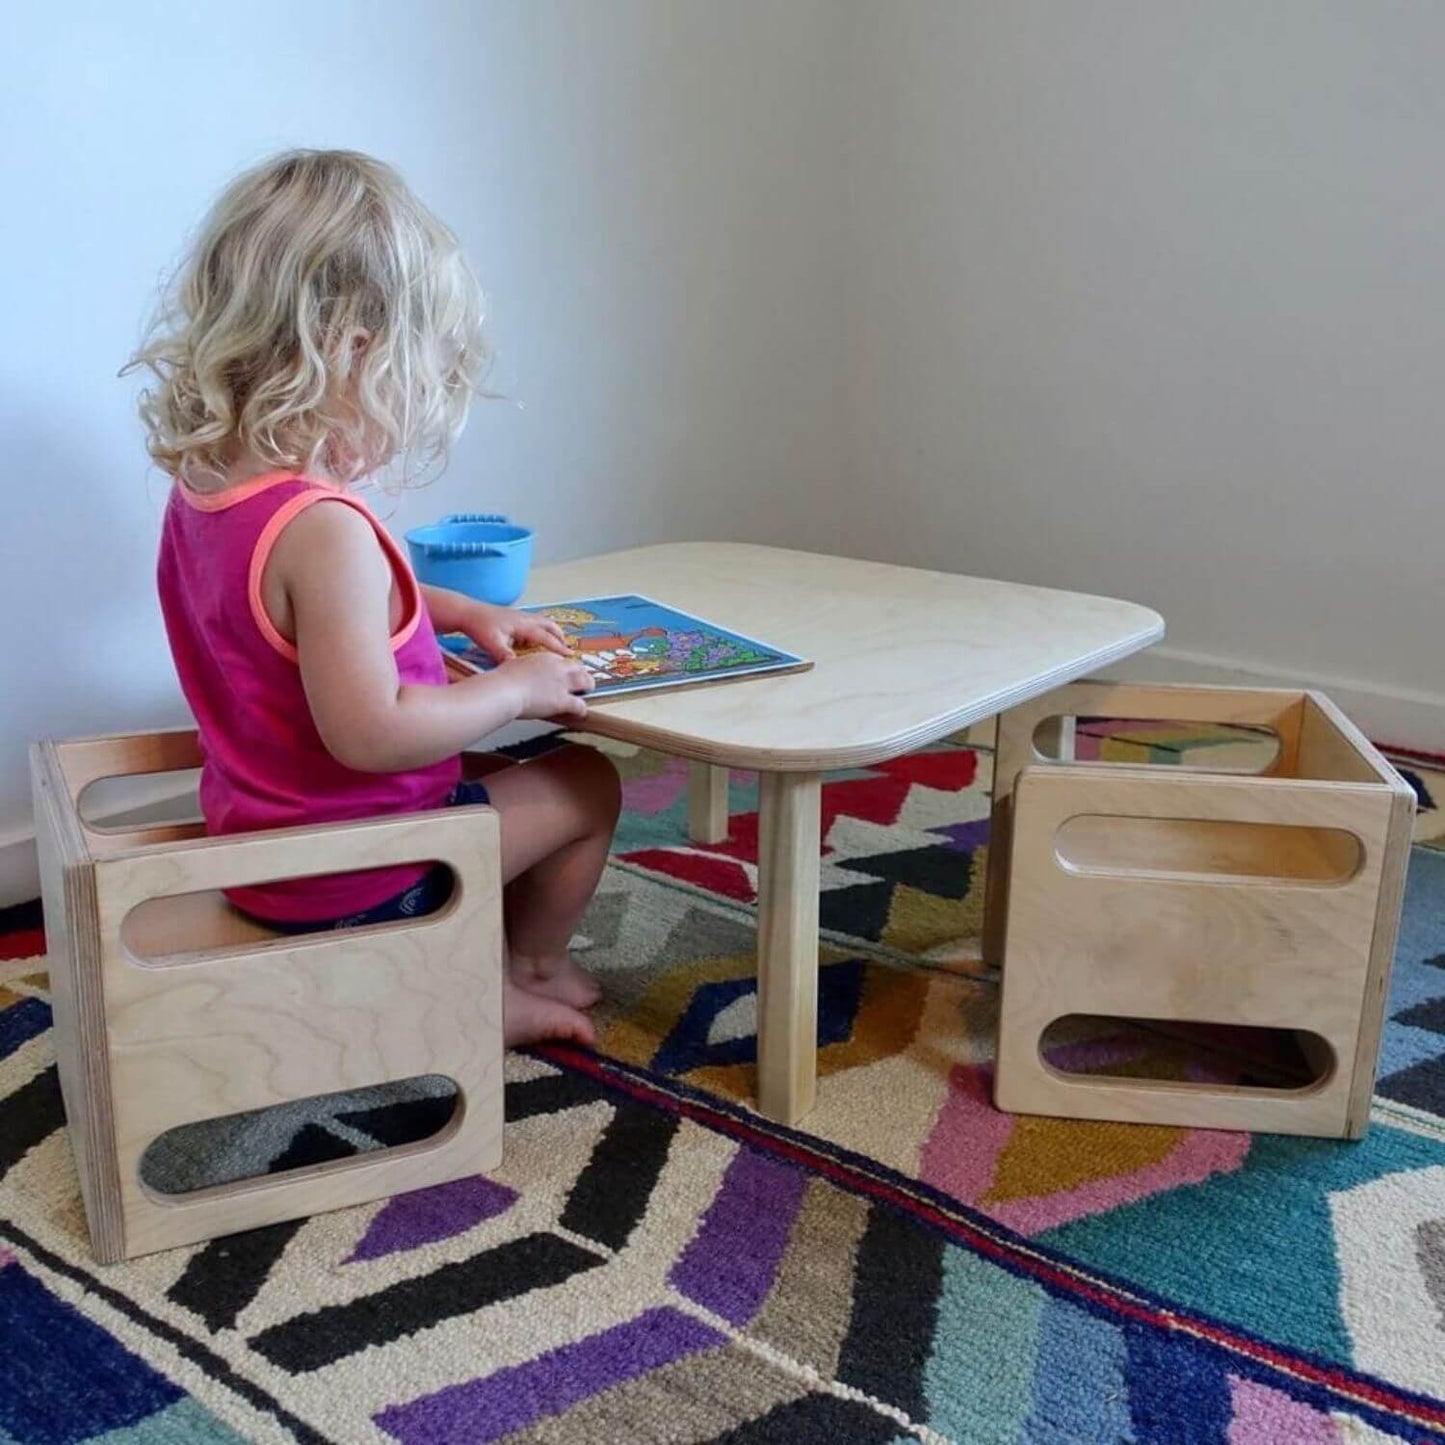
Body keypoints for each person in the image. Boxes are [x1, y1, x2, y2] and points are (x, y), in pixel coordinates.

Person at [126, 149, 618, 1046]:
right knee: (584, 780)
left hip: (263, 848)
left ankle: (476, 958)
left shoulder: (212, 486)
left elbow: (308, 610)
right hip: (357, 876)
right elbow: (373, 732)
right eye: (418, 372)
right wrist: (512, 690)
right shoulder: (322, 526)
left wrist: (463, 613)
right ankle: (509, 974)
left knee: (509, 782)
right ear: (353, 354)